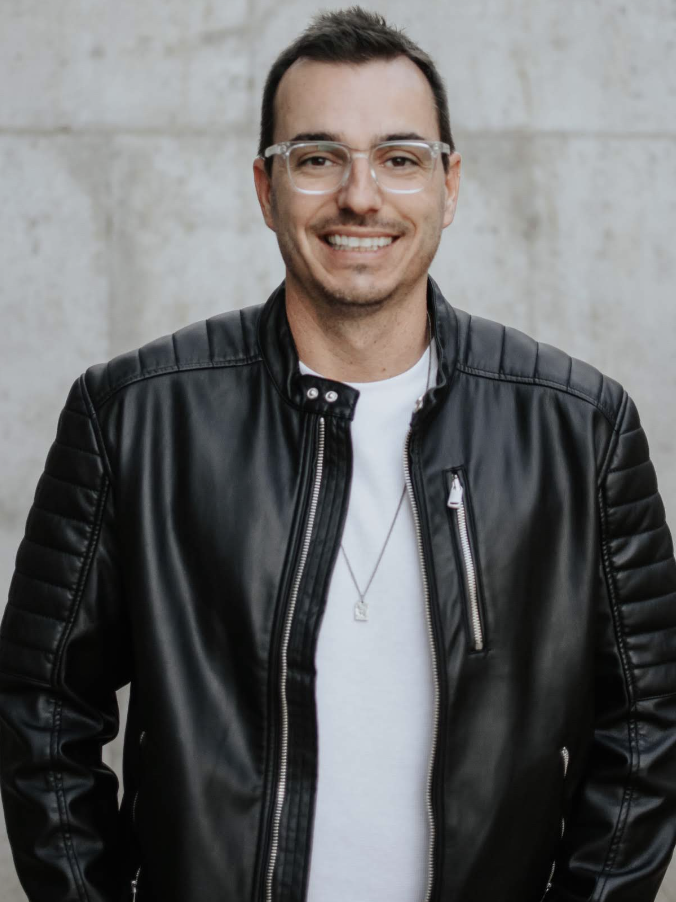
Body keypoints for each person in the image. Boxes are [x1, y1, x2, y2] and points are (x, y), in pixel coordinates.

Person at [1, 7, 676, 902]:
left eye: (400, 158)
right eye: (318, 157)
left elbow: (648, 727)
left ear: (449, 185)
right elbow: (43, 709)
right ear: (266, 188)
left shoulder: (581, 429)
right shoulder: (134, 416)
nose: (361, 196)